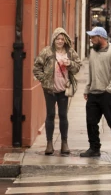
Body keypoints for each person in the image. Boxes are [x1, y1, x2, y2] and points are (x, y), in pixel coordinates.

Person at [32, 28, 80, 156]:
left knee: (63, 115)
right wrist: (44, 79)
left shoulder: (70, 52)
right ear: (54, 39)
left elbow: (77, 66)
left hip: (64, 89)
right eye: (58, 39)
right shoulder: (46, 52)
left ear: (65, 40)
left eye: (62, 39)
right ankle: (49, 144)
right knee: (50, 115)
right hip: (49, 90)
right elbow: (36, 67)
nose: (60, 41)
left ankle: (64, 143)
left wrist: (69, 63)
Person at [81, 26, 111, 159]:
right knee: (91, 122)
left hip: (107, 93)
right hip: (93, 93)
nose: (91, 39)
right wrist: (87, 89)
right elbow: (91, 72)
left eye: (93, 37)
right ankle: (94, 148)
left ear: (100, 38)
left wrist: (110, 91)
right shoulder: (93, 52)